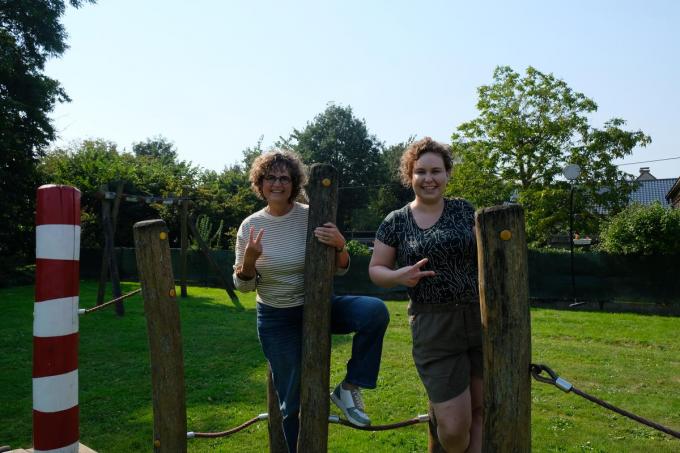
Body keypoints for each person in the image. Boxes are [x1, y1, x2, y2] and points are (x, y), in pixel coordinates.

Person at [233, 150, 389, 453]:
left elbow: (339, 267)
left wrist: (341, 245)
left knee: (374, 312)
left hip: (319, 305)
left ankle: (348, 387)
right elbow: (243, 286)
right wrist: (249, 260)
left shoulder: (311, 215)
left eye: (284, 178)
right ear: (260, 183)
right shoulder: (249, 226)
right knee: (292, 400)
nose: (277, 183)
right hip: (277, 318)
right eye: (270, 177)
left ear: (294, 183)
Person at [368, 137, 482, 453]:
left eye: (436, 171)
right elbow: (376, 269)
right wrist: (398, 276)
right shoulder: (396, 221)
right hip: (434, 326)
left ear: (447, 174)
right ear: (410, 175)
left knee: (480, 410)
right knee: (454, 427)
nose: (429, 179)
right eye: (420, 172)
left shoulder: (465, 211)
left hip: (480, 319)